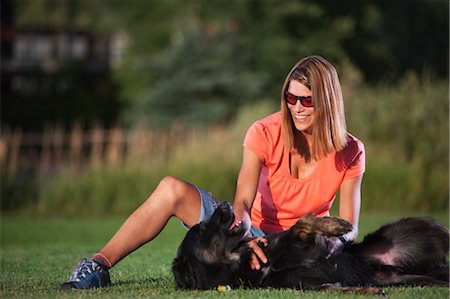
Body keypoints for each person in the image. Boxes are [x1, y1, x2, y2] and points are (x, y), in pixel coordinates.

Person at [61, 55, 365, 289]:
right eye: (290, 97)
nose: (296, 107)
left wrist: (326, 250)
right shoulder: (264, 131)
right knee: (171, 188)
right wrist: (242, 235)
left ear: (326, 101)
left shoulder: (351, 151)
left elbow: (349, 227)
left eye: (307, 100)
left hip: (301, 243)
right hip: (251, 235)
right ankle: (97, 266)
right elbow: (242, 201)